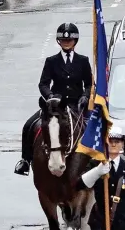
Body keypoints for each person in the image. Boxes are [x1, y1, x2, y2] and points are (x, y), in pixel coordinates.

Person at [14, 23, 93, 176]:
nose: (66, 43)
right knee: (29, 125)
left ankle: (96, 161)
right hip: (56, 105)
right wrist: (50, 96)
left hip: (77, 104)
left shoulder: (83, 61)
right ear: (59, 42)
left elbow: (89, 84)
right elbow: (43, 83)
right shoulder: (51, 61)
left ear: (75, 42)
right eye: (63, 41)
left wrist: (85, 96)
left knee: (95, 126)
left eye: (69, 41)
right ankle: (25, 161)